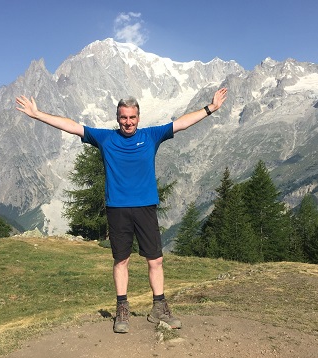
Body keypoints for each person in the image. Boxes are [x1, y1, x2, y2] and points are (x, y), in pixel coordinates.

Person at [15, 87, 228, 333]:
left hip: (146, 206)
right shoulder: (105, 138)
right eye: (124, 117)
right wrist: (37, 114)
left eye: (132, 117)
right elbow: (73, 126)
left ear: (139, 118)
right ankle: (122, 310)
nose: (128, 122)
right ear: (118, 118)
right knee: (121, 260)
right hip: (117, 209)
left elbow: (181, 124)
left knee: (156, 259)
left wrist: (210, 108)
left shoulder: (151, 136)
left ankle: (159, 308)